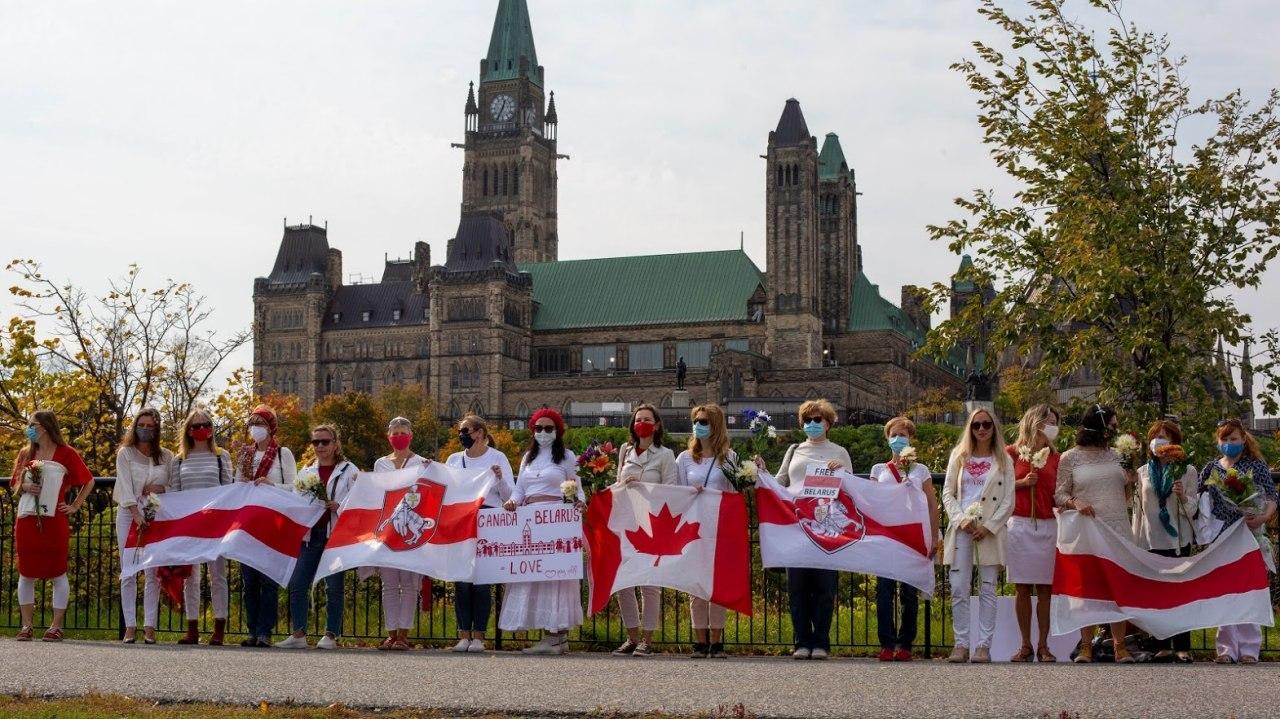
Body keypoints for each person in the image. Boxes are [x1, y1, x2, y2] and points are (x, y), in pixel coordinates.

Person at [758, 398, 852, 660]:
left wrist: (841, 472)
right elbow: (780, 481)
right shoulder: (794, 450)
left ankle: (821, 641)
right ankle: (801, 640)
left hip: (827, 525)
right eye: (808, 420)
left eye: (817, 420)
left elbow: (852, 488)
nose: (812, 424)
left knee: (824, 587)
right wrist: (762, 472)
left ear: (828, 423)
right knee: (797, 586)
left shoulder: (840, 451)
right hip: (796, 524)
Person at [1054, 403, 1134, 663]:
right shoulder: (1071, 457)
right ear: (1100, 426)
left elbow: (1127, 494)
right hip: (1086, 530)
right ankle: (1086, 646)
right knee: (1087, 587)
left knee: (1118, 586)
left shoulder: (1118, 456)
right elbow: (1060, 494)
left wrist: (1130, 479)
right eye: (1112, 424)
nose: (1115, 429)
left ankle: (1119, 646)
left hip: (1117, 527)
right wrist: (1075, 502)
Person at [500, 408, 584, 655]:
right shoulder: (528, 457)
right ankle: (551, 635)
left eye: (548, 428)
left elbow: (577, 487)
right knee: (536, 576)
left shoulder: (567, 457)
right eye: (538, 428)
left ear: (557, 431)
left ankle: (557, 635)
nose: (543, 433)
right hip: (532, 519)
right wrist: (512, 502)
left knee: (554, 577)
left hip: (555, 520)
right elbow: (519, 490)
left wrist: (580, 502)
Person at [1197, 418, 1276, 664]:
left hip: (1248, 534)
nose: (1229, 444)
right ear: (1218, 441)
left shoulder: (1256, 465)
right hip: (1221, 534)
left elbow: (1271, 496)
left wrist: (1263, 516)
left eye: (1233, 439)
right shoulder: (1211, 468)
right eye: (1224, 439)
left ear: (1244, 439)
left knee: (1248, 590)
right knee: (1224, 591)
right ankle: (1226, 648)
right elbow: (1198, 497)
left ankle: (1250, 648)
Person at [10, 411, 94, 642]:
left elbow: (88, 481)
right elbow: (15, 483)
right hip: (27, 519)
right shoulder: (26, 453)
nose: (29, 428)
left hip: (55, 520)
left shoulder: (67, 454)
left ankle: (55, 627)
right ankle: (27, 626)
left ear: (45, 427)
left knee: (58, 571)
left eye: (32, 425)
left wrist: (75, 506)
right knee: (26, 572)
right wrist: (26, 488)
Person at [277, 424, 359, 650]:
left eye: (325, 441)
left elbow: (359, 500)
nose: (320, 446)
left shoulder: (349, 470)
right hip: (311, 536)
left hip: (336, 536)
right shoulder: (306, 472)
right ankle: (299, 633)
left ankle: (331, 635)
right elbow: (297, 502)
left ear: (335, 444)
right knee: (298, 583)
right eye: (316, 442)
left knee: (333, 586)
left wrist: (339, 507)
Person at [942, 407, 1014, 663]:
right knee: (959, 587)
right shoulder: (959, 456)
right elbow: (948, 493)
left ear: (994, 428)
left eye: (986, 424)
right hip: (963, 528)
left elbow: (1008, 500)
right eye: (976, 425)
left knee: (987, 588)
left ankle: (984, 645)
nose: (981, 429)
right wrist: (960, 520)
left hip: (989, 531)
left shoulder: (1004, 460)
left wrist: (990, 526)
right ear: (970, 429)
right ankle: (961, 643)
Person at [868, 416, 939, 662]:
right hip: (888, 537)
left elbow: (932, 505)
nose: (898, 439)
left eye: (903, 435)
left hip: (913, 537)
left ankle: (905, 643)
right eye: (894, 435)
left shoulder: (921, 470)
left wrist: (933, 538)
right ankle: (886, 643)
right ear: (887, 439)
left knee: (909, 592)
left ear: (911, 438)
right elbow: (871, 501)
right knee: (884, 591)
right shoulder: (878, 470)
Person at [610, 403, 678, 657]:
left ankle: (647, 640)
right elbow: (618, 484)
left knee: (649, 584)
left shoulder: (665, 454)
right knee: (623, 583)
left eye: (647, 419)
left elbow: (672, 491)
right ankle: (631, 636)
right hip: (627, 521)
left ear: (657, 425)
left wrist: (644, 487)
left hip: (652, 524)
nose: (642, 423)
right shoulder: (625, 451)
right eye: (638, 419)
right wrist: (622, 484)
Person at [443, 414, 514, 653]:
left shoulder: (497, 457)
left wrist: (500, 477)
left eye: (467, 430)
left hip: (488, 520)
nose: (463, 435)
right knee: (462, 580)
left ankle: (479, 636)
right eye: (460, 431)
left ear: (480, 433)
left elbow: (509, 495)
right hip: (463, 521)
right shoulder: (454, 459)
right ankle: (463, 634)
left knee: (482, 581)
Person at [1132, 418, 1198, 663]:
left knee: (1180, 591)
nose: (1159, 440)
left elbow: (1193, 507)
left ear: (1174, 443)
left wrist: (1182, 497)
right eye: (1155, 436)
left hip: (1178, 539)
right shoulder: (1142, 472)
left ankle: (1182, 645)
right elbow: (1138, 511)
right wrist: (1136, 540)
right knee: (1157, 592)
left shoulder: (1187, 471)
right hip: (1151, 538)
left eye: (1165, 436)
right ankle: (1160, 643)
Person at [675, 403, 738, 659]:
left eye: (704, 422)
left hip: (718, 526)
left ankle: (717, 641)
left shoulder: (729, 457)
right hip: (693, 527)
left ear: (715, 426)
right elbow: (677, 492)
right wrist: (690, 493)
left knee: (718, 588)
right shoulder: (684, 458)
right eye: (696, 421)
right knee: (696, 587)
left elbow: (734, 493)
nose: (698, 426)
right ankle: (699, 641)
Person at [234, 404, 297, 648]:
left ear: (270, 428)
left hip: (273, 522)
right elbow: (236, 484)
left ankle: (265, 632)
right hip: (249, 523)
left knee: (268, 581)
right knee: (249, 582)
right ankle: (252, 630)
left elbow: (293, 487)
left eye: (260, 424)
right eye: (252, 424)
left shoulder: (283, 454)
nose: (255, 429)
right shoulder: (245, 454)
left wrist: (271, 485)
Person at [171, 408, 233, 645]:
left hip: (215, 524)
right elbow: (174, 493)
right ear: (188, 430)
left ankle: (219, 628)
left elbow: (229, 488)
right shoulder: (179, 460)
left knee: (218, 576)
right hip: (189, 524)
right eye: (195, 426)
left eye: (205, 424)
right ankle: (192, 628)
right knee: (191, 577)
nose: (200, 429)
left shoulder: (221, 456)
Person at [1005, 404, 1061, 663]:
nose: (1053, 426)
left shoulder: (1056, 458)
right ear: (1035, 422)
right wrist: (1021, 483)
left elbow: (1060, 492)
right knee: (1023, 587)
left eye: (1055, 422)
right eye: (1048, 421)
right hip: (1020, 523)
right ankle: (1025, 644)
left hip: (1048, 524)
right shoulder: (1012, 453)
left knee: (1046, 588)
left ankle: (1044, 645)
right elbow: (997, 487)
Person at [114, 406, 174, 644]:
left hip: (156, 514)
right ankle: (130, 626)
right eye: (142, 425)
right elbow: (125, 485)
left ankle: (150, 626)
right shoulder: (125, 453)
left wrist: (161, 489)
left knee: (153, 573)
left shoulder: (166, 456)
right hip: (129, 516)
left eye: (150, 426)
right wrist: (135, 513)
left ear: (157, 429)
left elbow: (174, 484)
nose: (145, 429)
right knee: (128, 571)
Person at [371, 416, 429, 650]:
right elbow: (377, 494)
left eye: (403, 432)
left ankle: (404, 634)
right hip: (389, 529)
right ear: (388, 437)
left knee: (409, 584)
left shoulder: (423, 463)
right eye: (394, 433)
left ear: (411, 435)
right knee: (389, 585)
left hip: (411, 529)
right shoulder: (380, 464)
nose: (398, 437)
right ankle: (391, 633)